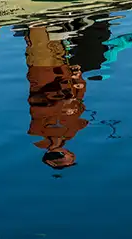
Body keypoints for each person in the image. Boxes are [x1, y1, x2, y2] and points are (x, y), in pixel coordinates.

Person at [25, 24, 88, 170]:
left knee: (38, 30)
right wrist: (78, 80)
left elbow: (37, 102)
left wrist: (62, 103)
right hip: (64, 71)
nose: (72, 155)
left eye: (70, 158)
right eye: (72, 157)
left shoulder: (37, 130)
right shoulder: (73, 130)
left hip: (42, 70)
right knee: (58, 29)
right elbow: (79, 101)